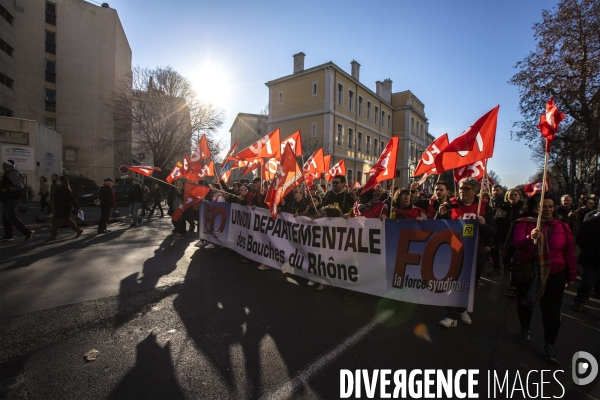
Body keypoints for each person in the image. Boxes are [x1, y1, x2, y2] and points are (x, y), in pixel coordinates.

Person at [510, 194, 576, 364]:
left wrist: (572, 274)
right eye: (543, 206)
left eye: (550, 206)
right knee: (525, 304)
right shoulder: (524, 223)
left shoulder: (562, 226)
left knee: (552, 312)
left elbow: (569, 251)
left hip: (555, 274)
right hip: (529, 273)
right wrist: (530, 238)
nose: (547, 210)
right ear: (534, 208)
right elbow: (516, 243)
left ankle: (549, 345)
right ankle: (525, 329)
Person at [435, 177, 496, 328]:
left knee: (470, 283)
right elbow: (436, 226)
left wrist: (483, 224)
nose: (462, 191)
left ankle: (462, 309)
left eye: (466, 188)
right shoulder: (451, 204)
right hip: (453, 250)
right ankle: (451, 315)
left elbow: (493, 231)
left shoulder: (484, 206)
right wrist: (441, 214)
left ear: (475, 191)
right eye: (461, 188)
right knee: (451, 281)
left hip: (475, 250)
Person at [491, 188, 524, 278]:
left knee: (509, 251)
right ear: (507, 197)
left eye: (515, 195)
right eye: (511, 195)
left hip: (515, 233)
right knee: (494, 249)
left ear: (519, 197)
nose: (513, 197)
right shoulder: (502, 206)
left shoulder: (523, 208)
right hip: (501, 231)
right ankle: (496, 267)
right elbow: (497, 217)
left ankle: (507, 266)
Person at [572, 212, 600, 312]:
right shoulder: (591, 222)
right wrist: (589, 251)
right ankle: (579, 301)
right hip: (591, 260)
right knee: (587, 282)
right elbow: (580, 238)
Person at [1, 160, 34, 241]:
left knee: (11, 217)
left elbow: (19, 186)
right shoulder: (9, 174)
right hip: (7, 198)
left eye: (4, 167)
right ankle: (8, 236)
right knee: (6, 218)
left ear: (8, 167)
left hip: (11, 198)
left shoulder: (12, 174)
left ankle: (27, 232)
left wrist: (7, 189)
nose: (3, 168)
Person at [45, 176, 83, 241]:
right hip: (60, 208)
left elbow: (72, 200)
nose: (57, 181)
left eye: (59, 180)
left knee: (56, 222)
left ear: (63, 182)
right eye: (57, 180)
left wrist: (78, 208)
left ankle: (53, 235)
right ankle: (78, 230)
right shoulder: (57, 188)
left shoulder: (65, 190)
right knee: (67, 220)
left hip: (64, 208)